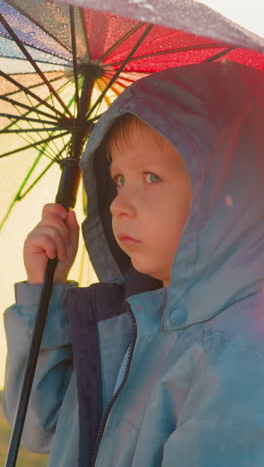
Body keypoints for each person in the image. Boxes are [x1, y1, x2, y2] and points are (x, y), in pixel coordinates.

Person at [3, 61, 264, 467]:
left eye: (151, 177)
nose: (118, 205)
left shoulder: (242, 353)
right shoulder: (126, 325)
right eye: (119, 179)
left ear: (226, 191)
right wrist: (45, 294)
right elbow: (41, 425)